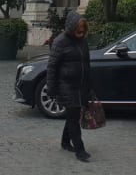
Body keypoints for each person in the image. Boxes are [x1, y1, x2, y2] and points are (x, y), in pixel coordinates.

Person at [46, 10, 92, 162]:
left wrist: (89, 85)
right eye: (79, 29)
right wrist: (52, 89)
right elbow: (52, 67)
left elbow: (86, 65)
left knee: (73, 116)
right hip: (66, 86)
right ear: (72, 28)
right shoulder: (60, 42)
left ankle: (65, 142)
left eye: (83, 29)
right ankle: (80, 150)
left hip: (80, 86)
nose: (81, 32)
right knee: (73, 118)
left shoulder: (83, 41)